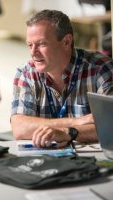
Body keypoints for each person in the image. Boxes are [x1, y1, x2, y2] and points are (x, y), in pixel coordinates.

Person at [10, 10, 113, 148]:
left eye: (41, 44)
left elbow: (110, 126)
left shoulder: (101, 69)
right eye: (30, 45)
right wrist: (78, 122)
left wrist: (69, 132)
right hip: (45, 160)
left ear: (66, 42)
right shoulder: (26, 74)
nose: (33, 52)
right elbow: (19, 128)